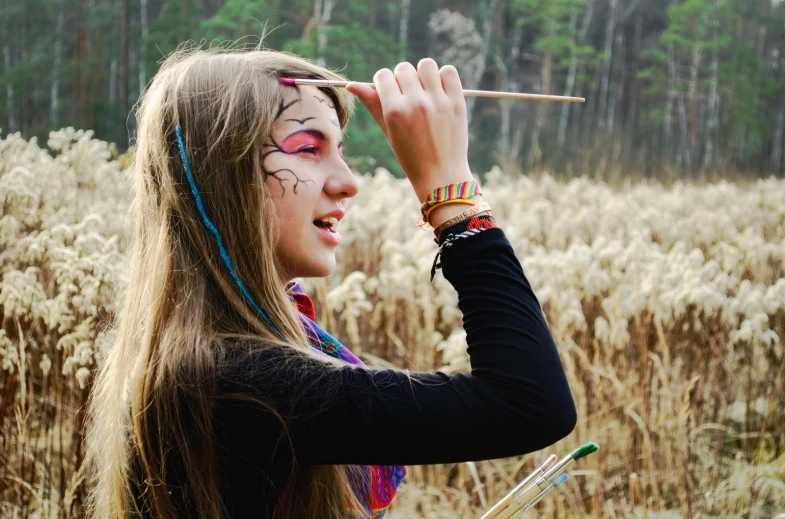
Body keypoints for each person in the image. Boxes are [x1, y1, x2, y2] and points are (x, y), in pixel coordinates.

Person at [85, 43, 577, 519]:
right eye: (308, 149)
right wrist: (451, 192)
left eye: (340, 150)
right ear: (225, 176)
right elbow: (529, 404)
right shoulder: (235, 380)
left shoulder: (212, 356)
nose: (348, 181)